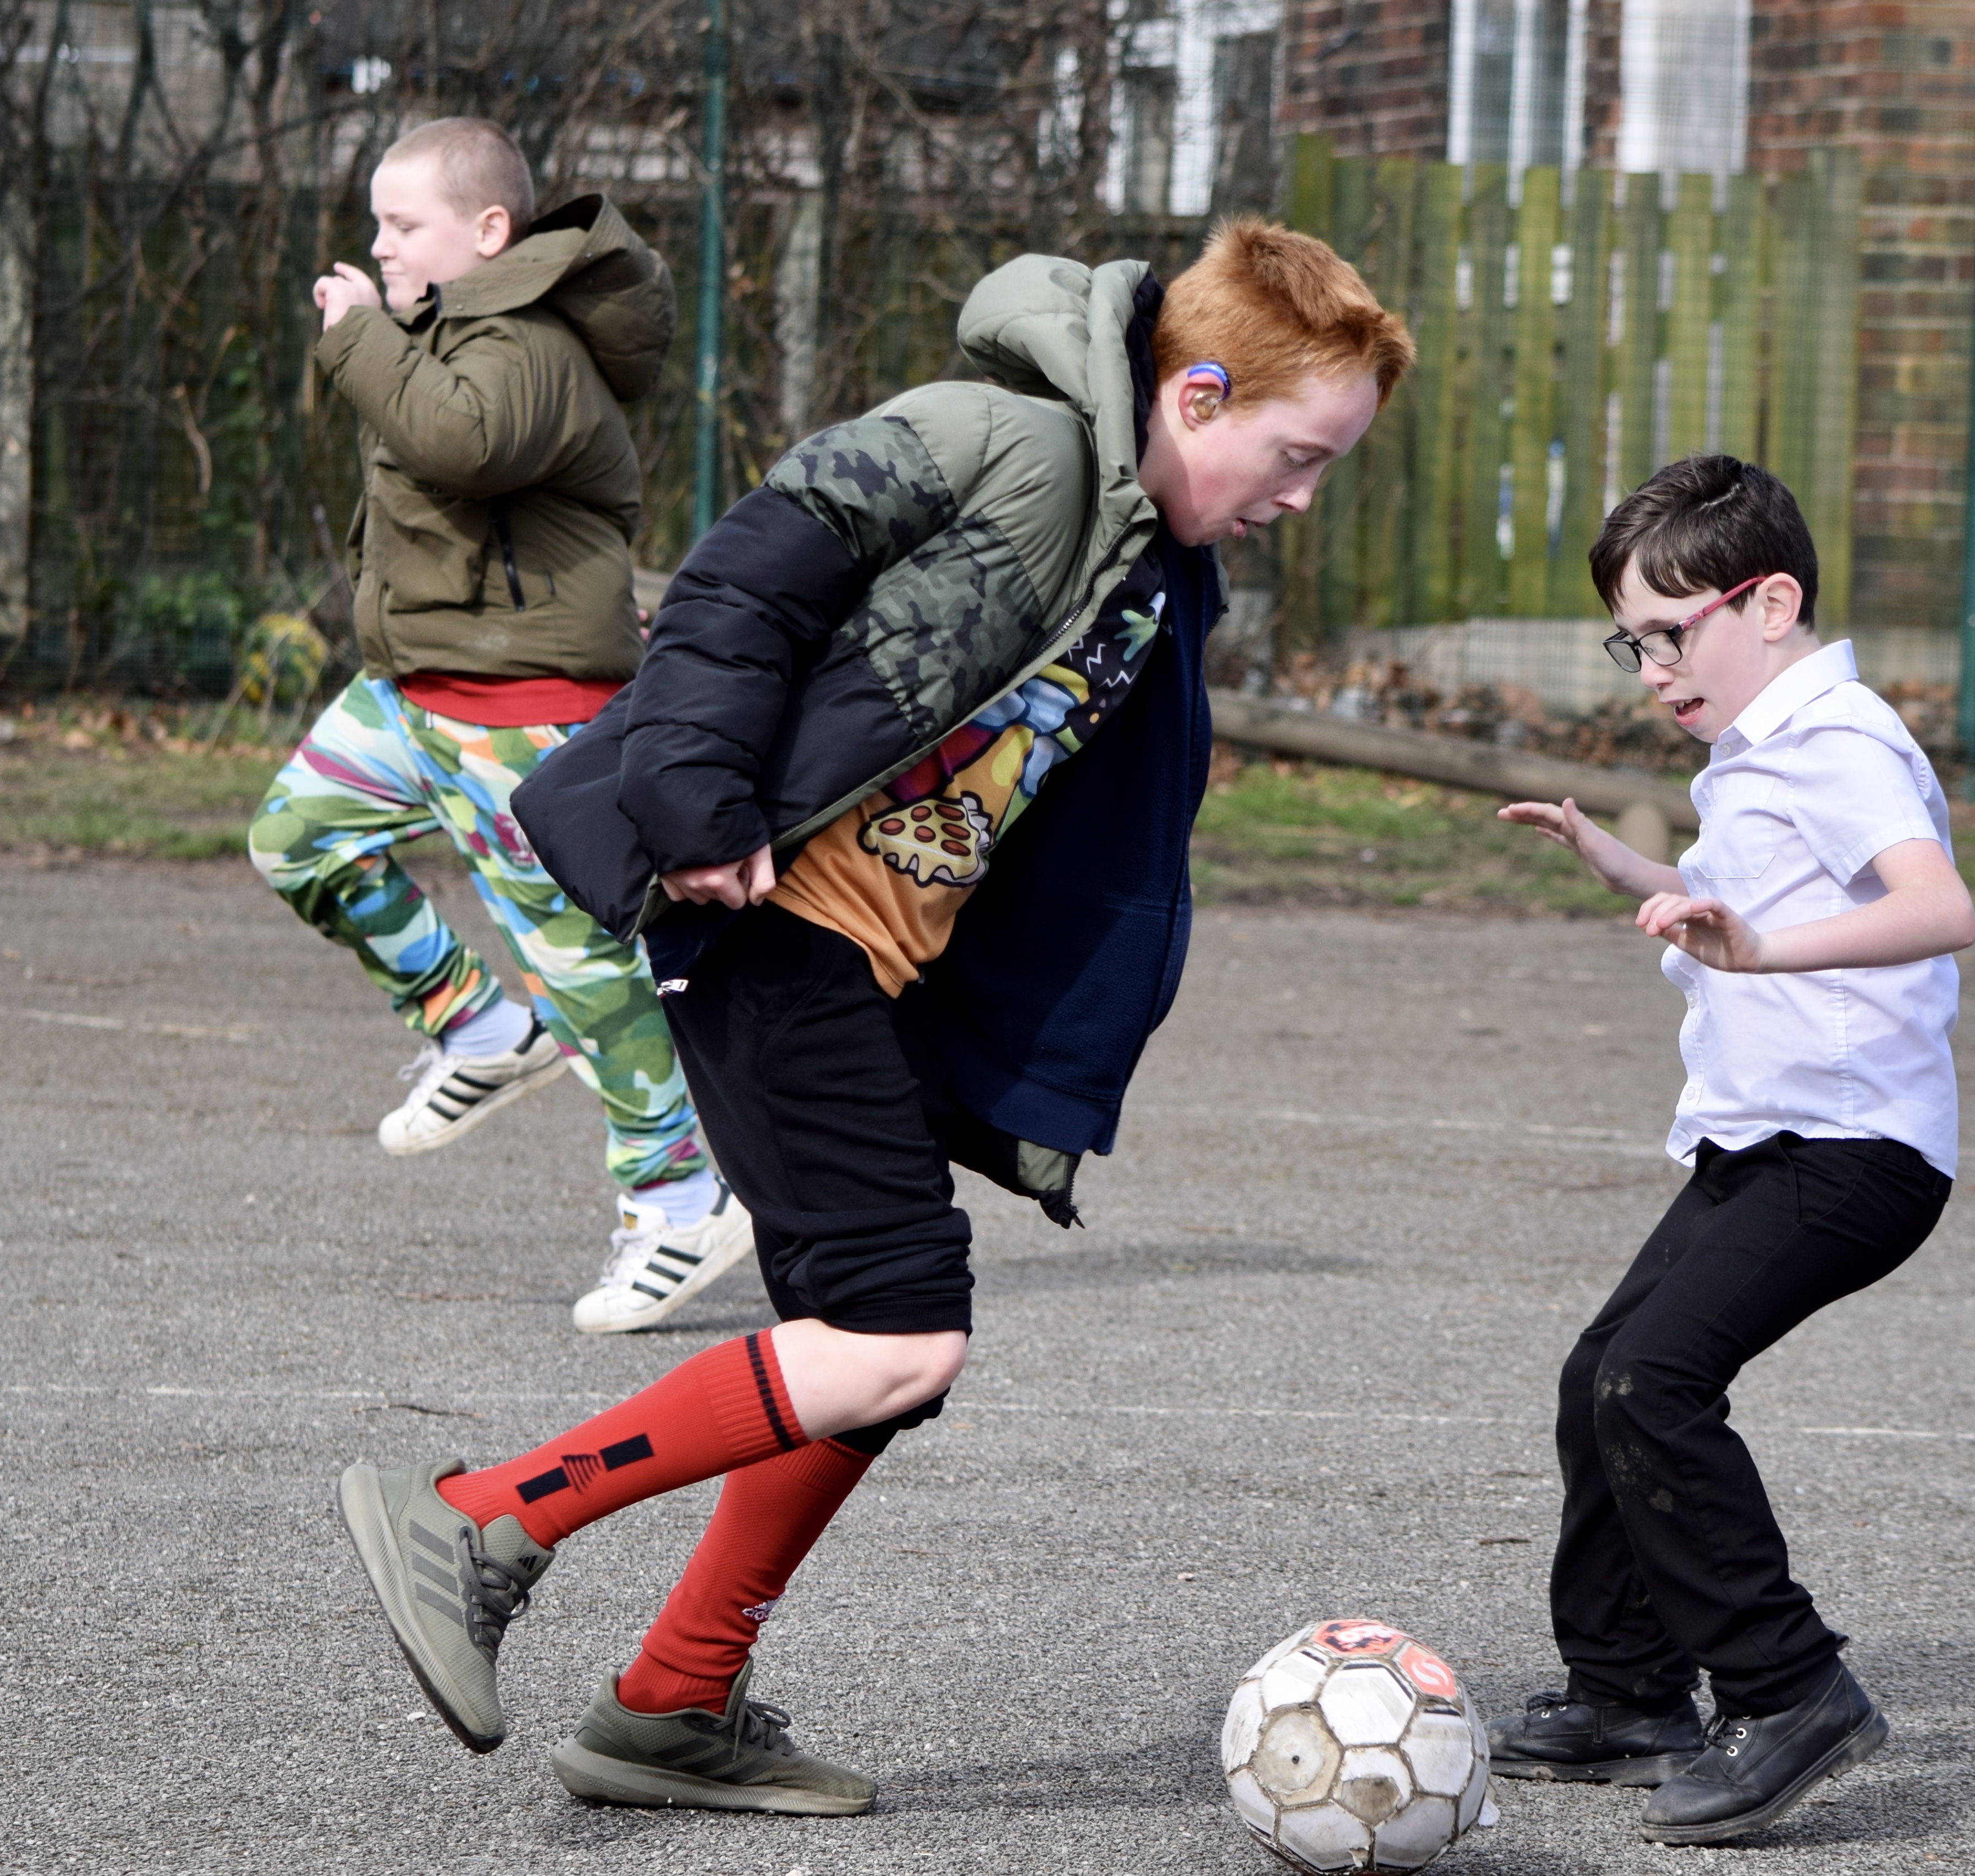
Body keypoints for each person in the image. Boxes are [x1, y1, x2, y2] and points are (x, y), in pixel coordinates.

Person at [334, 222, 1415, 1813]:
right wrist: (696, 801)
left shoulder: (1160, 574)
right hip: (764, 921)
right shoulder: (1004, 440)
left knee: (877, 1352)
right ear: (1194, 391)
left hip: (876, 971)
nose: (1305, 493)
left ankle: (674, 1699)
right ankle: (484, 1518)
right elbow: (739, 583)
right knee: (896, 1334)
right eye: (1297, 451)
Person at [1486, 454, 1975, 1845]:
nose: (1650, 665)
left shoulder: (1839, 741)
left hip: (1851, 1149)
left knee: (1654, 1379)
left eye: (1670, 630)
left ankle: (1792, 1685)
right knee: (1601, 1376)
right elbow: (1731, 906)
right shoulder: (1763, 747)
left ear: (1768, 599)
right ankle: (1631, 1688)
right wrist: (1625, 863)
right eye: (1631, 640)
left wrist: (1759, 948)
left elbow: (1937, 907)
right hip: (1766, 1140)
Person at [247, 117, 752, 1335]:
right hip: (414, 689)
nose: (378, 245)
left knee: (589, 975)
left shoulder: (529, 335)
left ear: (487, 231)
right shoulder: (451, 331)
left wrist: (361, 334)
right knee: (297, 836)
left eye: (402, 224)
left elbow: (460, 445)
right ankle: (474, 1022)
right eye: (376, 222)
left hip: (523, 710)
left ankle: (684, 1202)